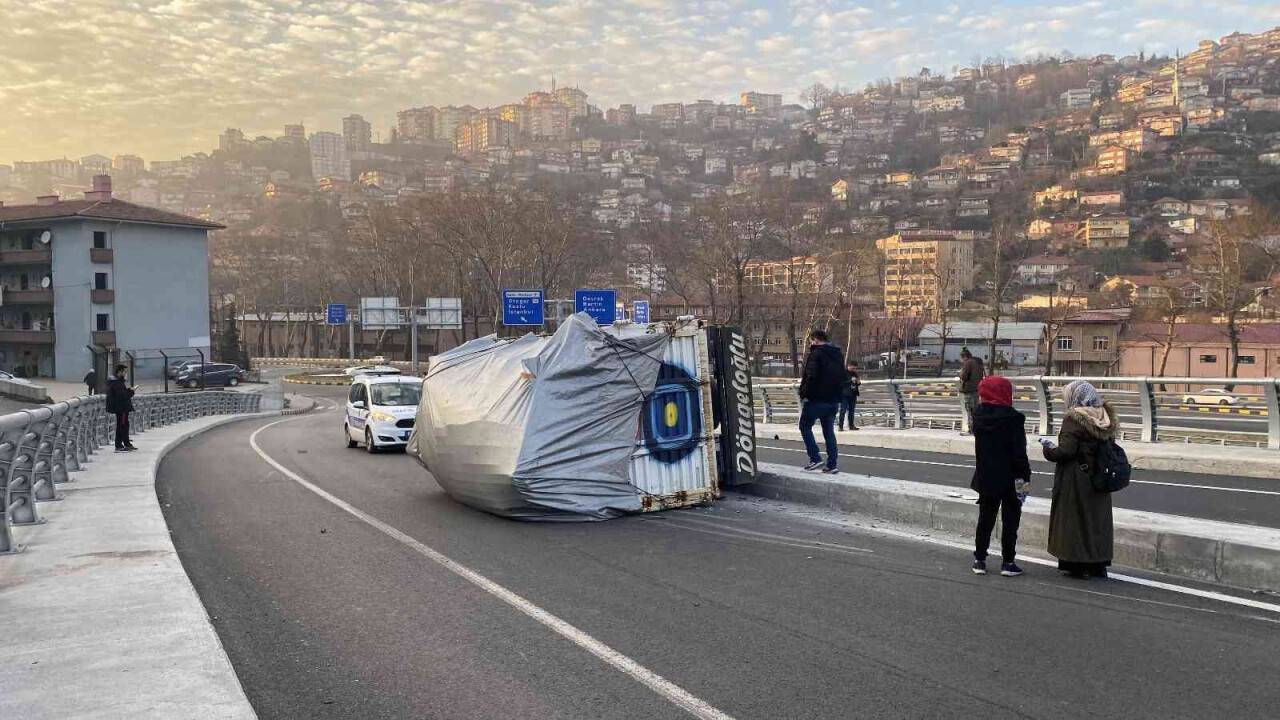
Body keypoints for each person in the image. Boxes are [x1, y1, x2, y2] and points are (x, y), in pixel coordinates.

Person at [1042, 380, 1117, 579]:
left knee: (1074, 520)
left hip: (1076, 479)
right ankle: (1098, 565)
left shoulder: (1073, 419)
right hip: (1100, 477)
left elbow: (1066, 451)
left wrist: (1048, 450)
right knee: (1096, 521)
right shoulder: (1104, 416)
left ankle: (1077, 565)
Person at [969, 376, 1031, 577]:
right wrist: (1025, 480)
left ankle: (979, 560)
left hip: (986, 476)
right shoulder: (1014, 419)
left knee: (985, 519)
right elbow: (1019, 454)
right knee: (1011, 520)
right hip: (1013, 479)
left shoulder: (978, 417)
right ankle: (1008, 562)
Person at [797, 329, 845, 474]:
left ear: (816, 340)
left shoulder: (816, 353)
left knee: (804, 426)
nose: (811, 343)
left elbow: (811, 376)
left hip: (817, 399)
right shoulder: (838, 354)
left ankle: (815, 458)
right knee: (829, 432)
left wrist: (803, 393)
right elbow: (842, 376)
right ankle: (832, 465)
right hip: (833, 401)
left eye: (811, 341)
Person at [105, 365, 137, 452]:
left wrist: (128, 390)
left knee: (124, 425)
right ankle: (120, 445)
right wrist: (131, 391)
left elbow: (122, 393)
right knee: (122, 426)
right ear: (119, 372)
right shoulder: (116, 382)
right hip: (121, 408)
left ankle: (125, 444)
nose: (126, 374)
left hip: (122, 407)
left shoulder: (118, 381)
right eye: (124, 372)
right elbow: (122, 396)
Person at [958, 348, 985, 434]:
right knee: (975, 410)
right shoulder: (978, 362)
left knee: (969, 410)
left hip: (968, 389)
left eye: (962, 358)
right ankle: (976, 428)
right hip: (977, 389)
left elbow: (963, 377)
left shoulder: (968, 363)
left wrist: (960, 373)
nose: (962, 360)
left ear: (965, 357)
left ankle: (971, 430)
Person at [839, 363, 860, 431]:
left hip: (853, 394)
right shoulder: (843, 373)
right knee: (843, 410)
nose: (854, 369)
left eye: (855, 368)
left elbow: (858, 383)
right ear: (849, 366)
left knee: (852, 411)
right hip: (845, 394)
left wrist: (857, 382)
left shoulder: (855, 373)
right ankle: (840, 426)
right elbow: (841, 383)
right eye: (853, 368)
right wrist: (850, 381)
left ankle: (851, 425)